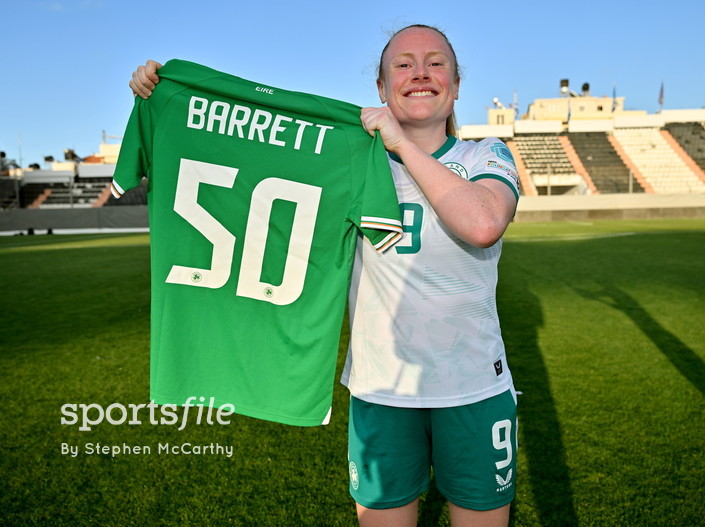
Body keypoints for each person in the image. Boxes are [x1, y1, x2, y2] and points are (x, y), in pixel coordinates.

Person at [129, 23, 519, 527]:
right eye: (403, 64)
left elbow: (483, 223)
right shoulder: (348, 162)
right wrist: (168, 98)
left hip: (473, 390)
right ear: (381, 88)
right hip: (382, 390)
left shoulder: (484, 154)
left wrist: (401, 144)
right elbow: (242, 159)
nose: (419, 73)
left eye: (435, 62)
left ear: (456, 83)